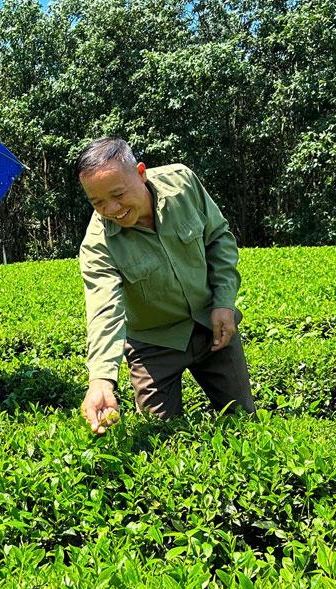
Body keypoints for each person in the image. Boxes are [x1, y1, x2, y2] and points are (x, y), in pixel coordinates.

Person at [77, 137, 254, 435]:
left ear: (141, 173)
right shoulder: (98, 245)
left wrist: (224, 301)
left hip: (211, 325)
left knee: (244, 422)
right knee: (159, 438)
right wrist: (101, 381)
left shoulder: (182, 184)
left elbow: (218, 238)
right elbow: (104, 312)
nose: (112, 208)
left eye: (118, 194)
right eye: (97, 202)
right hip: (154, 346)